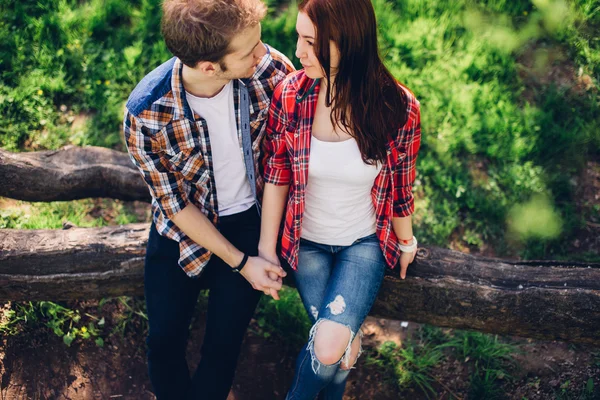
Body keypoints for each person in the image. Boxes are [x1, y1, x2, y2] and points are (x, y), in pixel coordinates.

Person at [122, 0, 294, 398]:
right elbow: (175, 207)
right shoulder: (146, 113)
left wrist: (260, 251)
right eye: (249, 49)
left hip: (253, 221)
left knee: (222, 347)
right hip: (182, 230)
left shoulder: (270, 71)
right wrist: (241, 264)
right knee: (163, 342)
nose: (262, 52)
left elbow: (289, 158)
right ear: (209, 67)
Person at [258, 0, 422, 397]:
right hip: (306, 242)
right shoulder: (292, 95)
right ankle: (347, 342)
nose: (298, 52)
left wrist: (406, 241)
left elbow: (400, 185)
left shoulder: (397, 107)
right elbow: (276, 174)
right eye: (299, 37)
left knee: (330, 348)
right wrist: (266, 248)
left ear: (348, 43)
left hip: (362, 244)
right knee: (340, 355)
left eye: (311, 42)